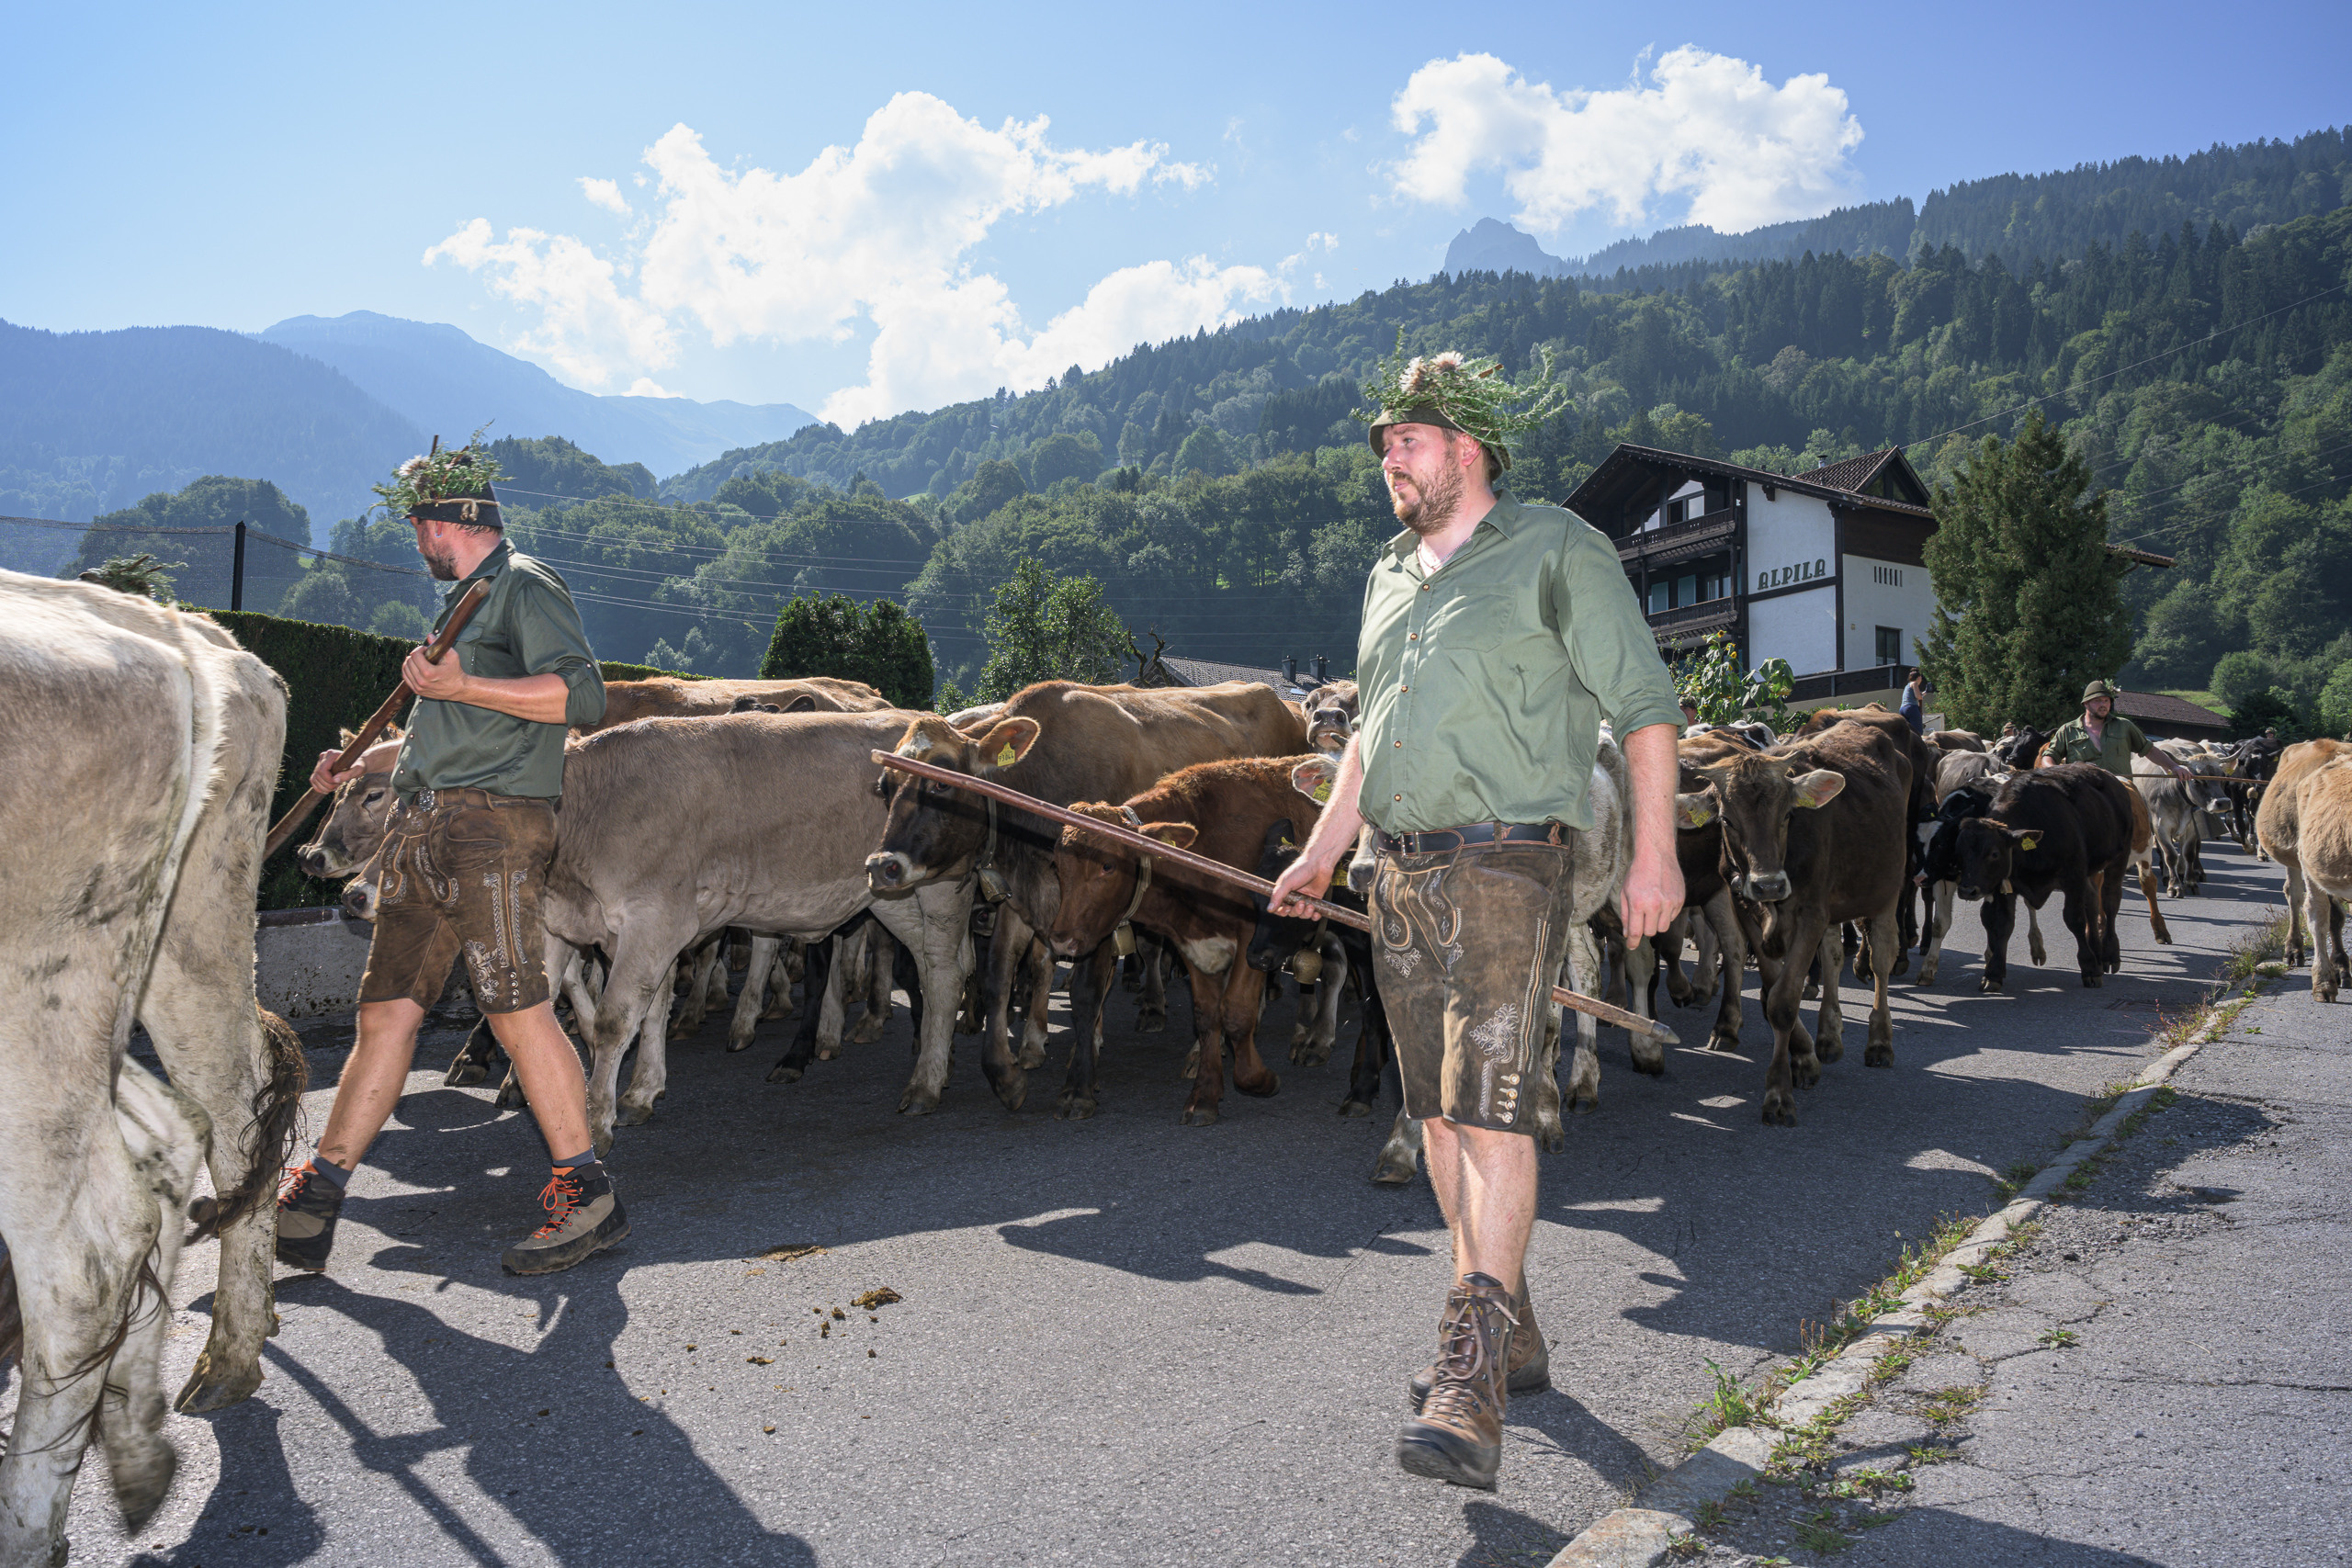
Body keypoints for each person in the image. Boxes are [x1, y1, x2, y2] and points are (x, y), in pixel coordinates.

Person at [1267, 343, 1683, 1491]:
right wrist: (1318, 852)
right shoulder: (1386, 575)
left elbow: (1643, 703)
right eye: (1381, 447)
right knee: (1440, 1118)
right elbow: (1369, 732)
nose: (1385, 461)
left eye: (1404, 441)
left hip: (1509, 862)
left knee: (1495, 1112)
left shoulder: (1555, 547)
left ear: (1468, 447)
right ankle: (1513, 1319)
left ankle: (1469, 1381)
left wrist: (1656, 854)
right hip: (1392, 875)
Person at [277, 444, 629, 1278]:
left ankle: (587, 1192)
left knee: (514, 1009)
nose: (416, 544)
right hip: (424, 831)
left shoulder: (524, 585)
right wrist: (360, 766)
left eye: (417, 529)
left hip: (495, 829)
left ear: (445, 523)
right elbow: (443, 734)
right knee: (388, 1013)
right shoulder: (462, 606)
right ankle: (315, 1199)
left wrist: (463, 686)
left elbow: (581, 696)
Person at [2045, 680, 2194, 784]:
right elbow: (2049, 757)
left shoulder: (2124, 726)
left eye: (2106, 701)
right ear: (2086, 704)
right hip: (2084, 794)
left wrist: (2174, 766)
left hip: (2121, 792)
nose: (2103, 705)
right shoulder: (2067, 730)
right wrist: (2057, 773)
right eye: (2098, 701)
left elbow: (2149, 750)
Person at [1899, 669, 1928, 735]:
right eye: (1921, 677)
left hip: (1903, 709)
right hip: (1911, 708)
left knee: (1908, 731)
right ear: (1918, 677)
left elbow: (1915, 696)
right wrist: (1921, 696)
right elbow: (1918, 697)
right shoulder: (1914, 683)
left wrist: (1924, 693)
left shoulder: (1907, 685)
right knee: (1918, 731)